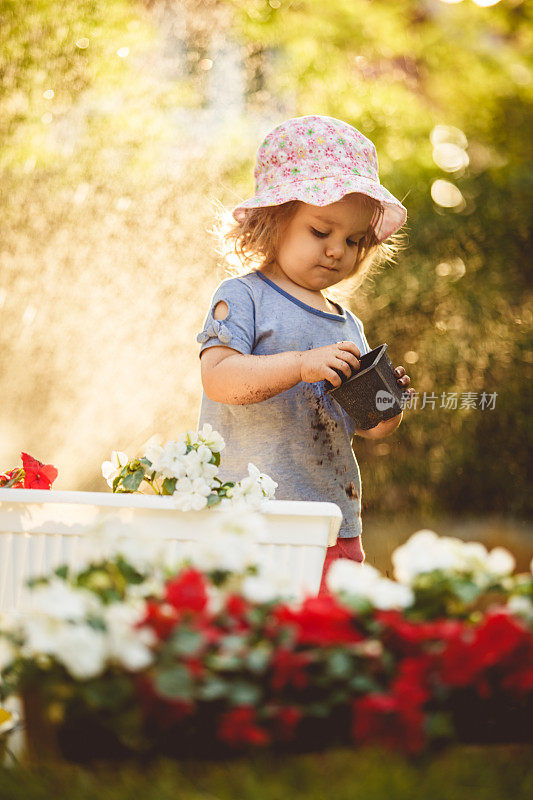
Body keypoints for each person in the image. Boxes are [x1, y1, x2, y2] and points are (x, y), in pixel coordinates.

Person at [196, 115, 415, 595]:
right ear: (274, 221)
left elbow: (370, 429)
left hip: (330, 522)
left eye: (355, 240)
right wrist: (300, 365)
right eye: (321, 231)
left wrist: (386, 404)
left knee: (323, 643)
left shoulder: (346, 323)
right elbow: (220, 379)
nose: (338, 250)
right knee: (251, 635)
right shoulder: (245, 296)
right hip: (251, 516)